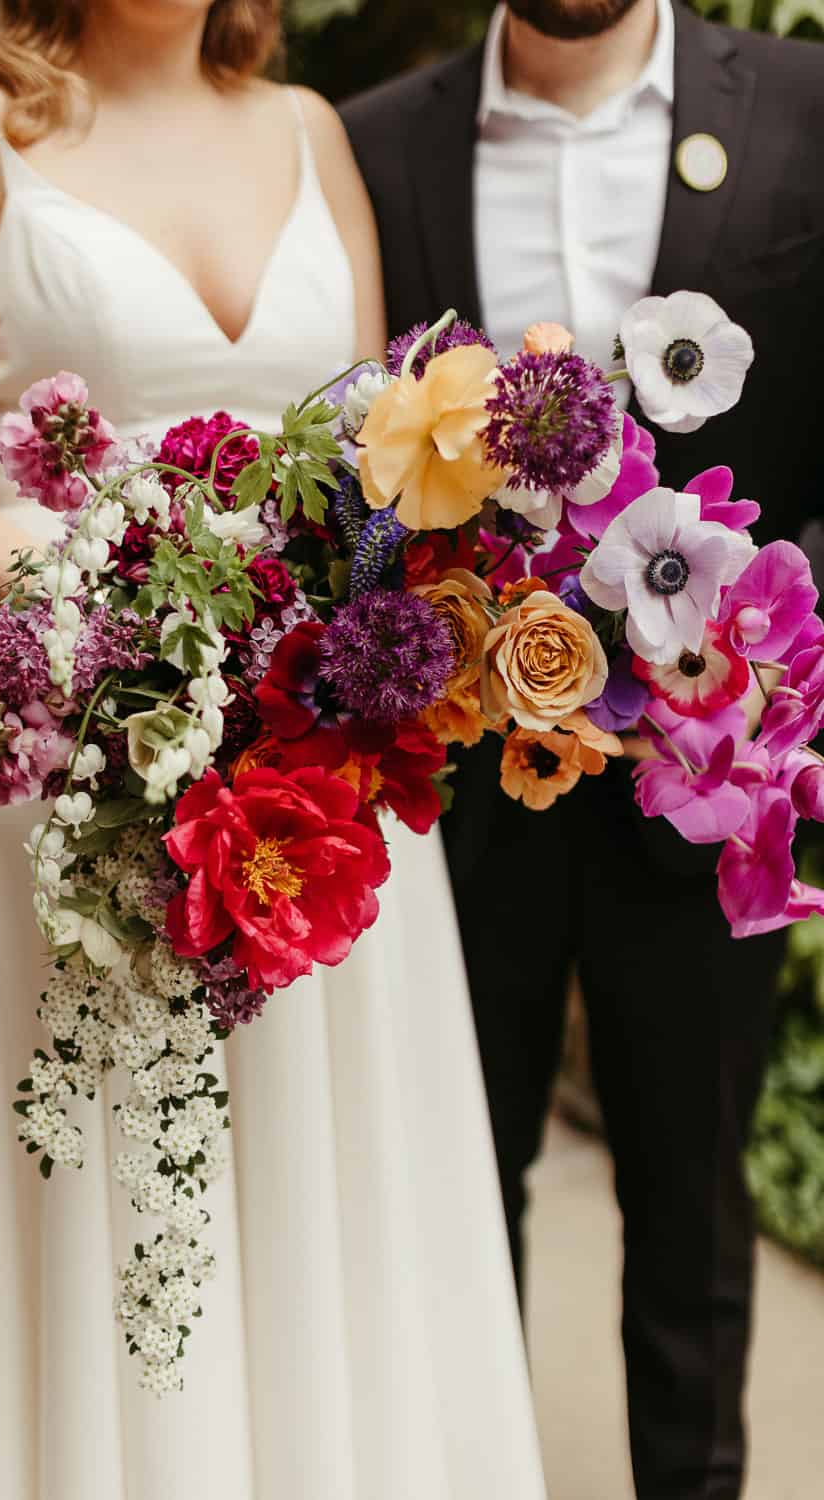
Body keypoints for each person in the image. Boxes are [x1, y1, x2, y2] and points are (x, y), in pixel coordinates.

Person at [0, 2, 547, 1497]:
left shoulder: (309, 132)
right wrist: (153, 645)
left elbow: (365, 468)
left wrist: (352, 649)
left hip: (308, 781)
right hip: (73, 773)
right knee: (76, 1191)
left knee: (306, 1189)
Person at [341, 2, 824, 1497]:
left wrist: (771, 653)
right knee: (451, 1211)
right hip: (458, 790)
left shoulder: (808, 108)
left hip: (703, 783)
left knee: (691, 1227)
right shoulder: (374, 144)